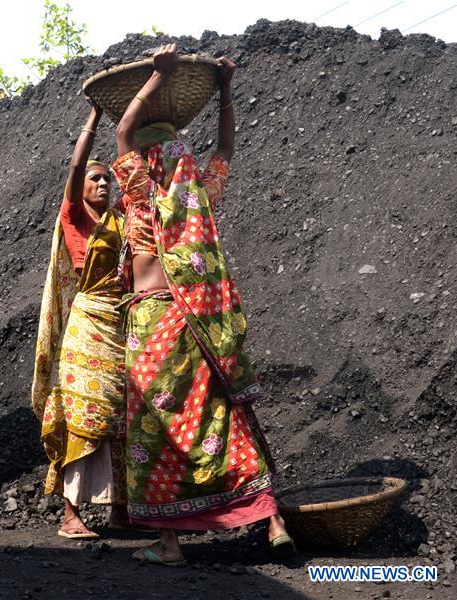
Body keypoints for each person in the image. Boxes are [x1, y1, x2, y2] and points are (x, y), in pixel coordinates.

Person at [112, 44, 293, 565]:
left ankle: (169, 543)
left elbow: (122, 134)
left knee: (156, 427)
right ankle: (272, 518)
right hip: (201, 322)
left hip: (153, 322)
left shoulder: (142, 198)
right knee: (224, 416)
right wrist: (226, 91)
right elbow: (227, 151)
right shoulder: (199, 198)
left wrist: (155, 78)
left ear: (145, 163)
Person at [31, 100, 133, 539]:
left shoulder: (122, 217)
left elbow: (136, 170)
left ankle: (120, 510)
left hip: (121, 322)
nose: (104, 183)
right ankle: (71, 514)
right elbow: (75, 168)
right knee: (84, 416)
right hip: (88, 322)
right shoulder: (74, 216)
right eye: (97, 178)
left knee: (122, 417)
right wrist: (94, 121)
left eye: (107, 178)